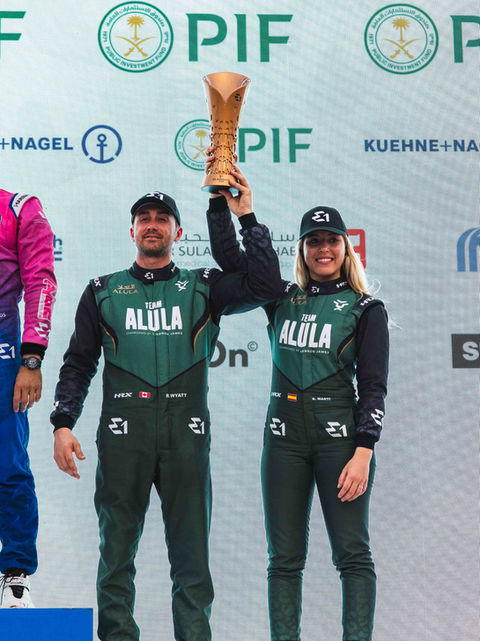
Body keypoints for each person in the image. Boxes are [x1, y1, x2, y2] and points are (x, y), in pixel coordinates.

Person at [50, 170, 281, 641]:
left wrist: (237, 213)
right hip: (123, 437)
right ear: (131, 230)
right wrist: (62, 422)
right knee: (116, 556)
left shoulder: (204, 286)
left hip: (185, 438)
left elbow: (265, 285)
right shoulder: (102, 290)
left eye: (162, 218)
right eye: (144, 218)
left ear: (178, 232)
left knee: (192, 560)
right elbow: (78, 363)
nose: (152, 224)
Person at [207, 192, 389, 641]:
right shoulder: (280, 296)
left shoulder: (366, 308)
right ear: (303, 250)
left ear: (346, 248)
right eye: (313, 241)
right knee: (284, 560)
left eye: (332, 240)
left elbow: (373, 387)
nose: (323, 249)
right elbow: (234, 262)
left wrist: (363, 452)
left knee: (352, 555)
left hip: (340, 445)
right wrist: (230, 210)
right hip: (283, 442)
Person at [0, 190, 56, 608]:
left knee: (9, 464)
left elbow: (41, 279)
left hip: (3, 355)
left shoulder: (18, 208)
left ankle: (15, 574)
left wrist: (31, 359)